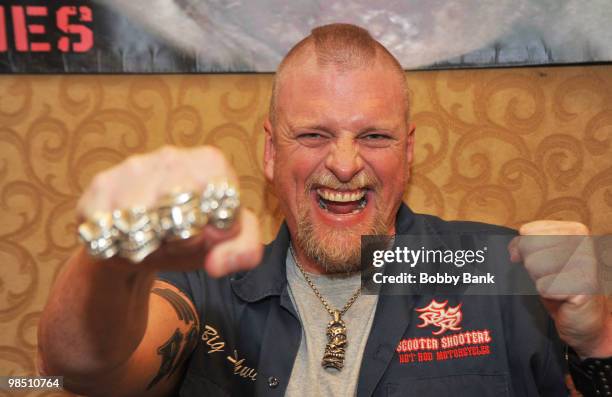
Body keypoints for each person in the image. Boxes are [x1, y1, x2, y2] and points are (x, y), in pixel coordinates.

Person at [37, 23, 611, 396]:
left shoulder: (497, 269)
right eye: (313, 134)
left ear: (408, 153)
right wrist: (110, 256)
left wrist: (598, 343)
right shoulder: (209, 289)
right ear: (270, 151)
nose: (343, 164)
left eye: (375, 137)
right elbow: (81, 372)